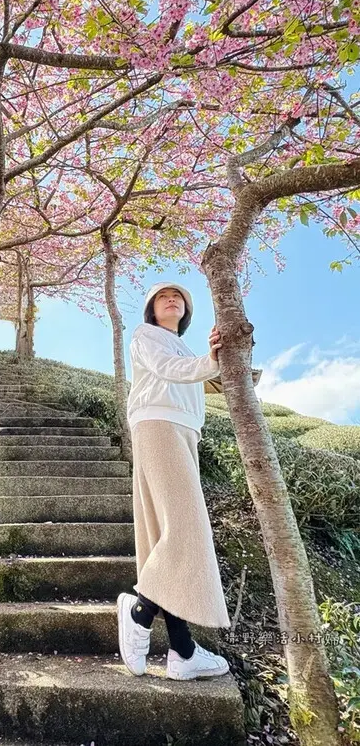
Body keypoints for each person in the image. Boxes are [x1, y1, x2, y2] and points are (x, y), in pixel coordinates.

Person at [117, 281, 231, 682]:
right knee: (187, 527)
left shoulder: (183, 347)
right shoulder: (145, 335)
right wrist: (210, 359)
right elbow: (170, 370)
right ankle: (140, 611)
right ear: (151, 308)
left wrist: (219, 353)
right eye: (163, 296)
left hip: (183, 432)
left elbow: (203, 374)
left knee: (164, 534)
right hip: (158, 425)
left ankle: (182, 651)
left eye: (179, 297)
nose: (173, 299)